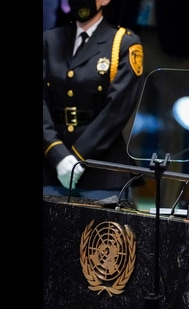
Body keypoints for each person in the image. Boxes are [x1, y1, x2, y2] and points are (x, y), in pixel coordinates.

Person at [43, 0, 144, 201]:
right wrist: (57, 153)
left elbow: (117, 110)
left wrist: (79, 157)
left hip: (102, 170)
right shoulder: (50, 39)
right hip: (50, 165)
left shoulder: (122, 43)